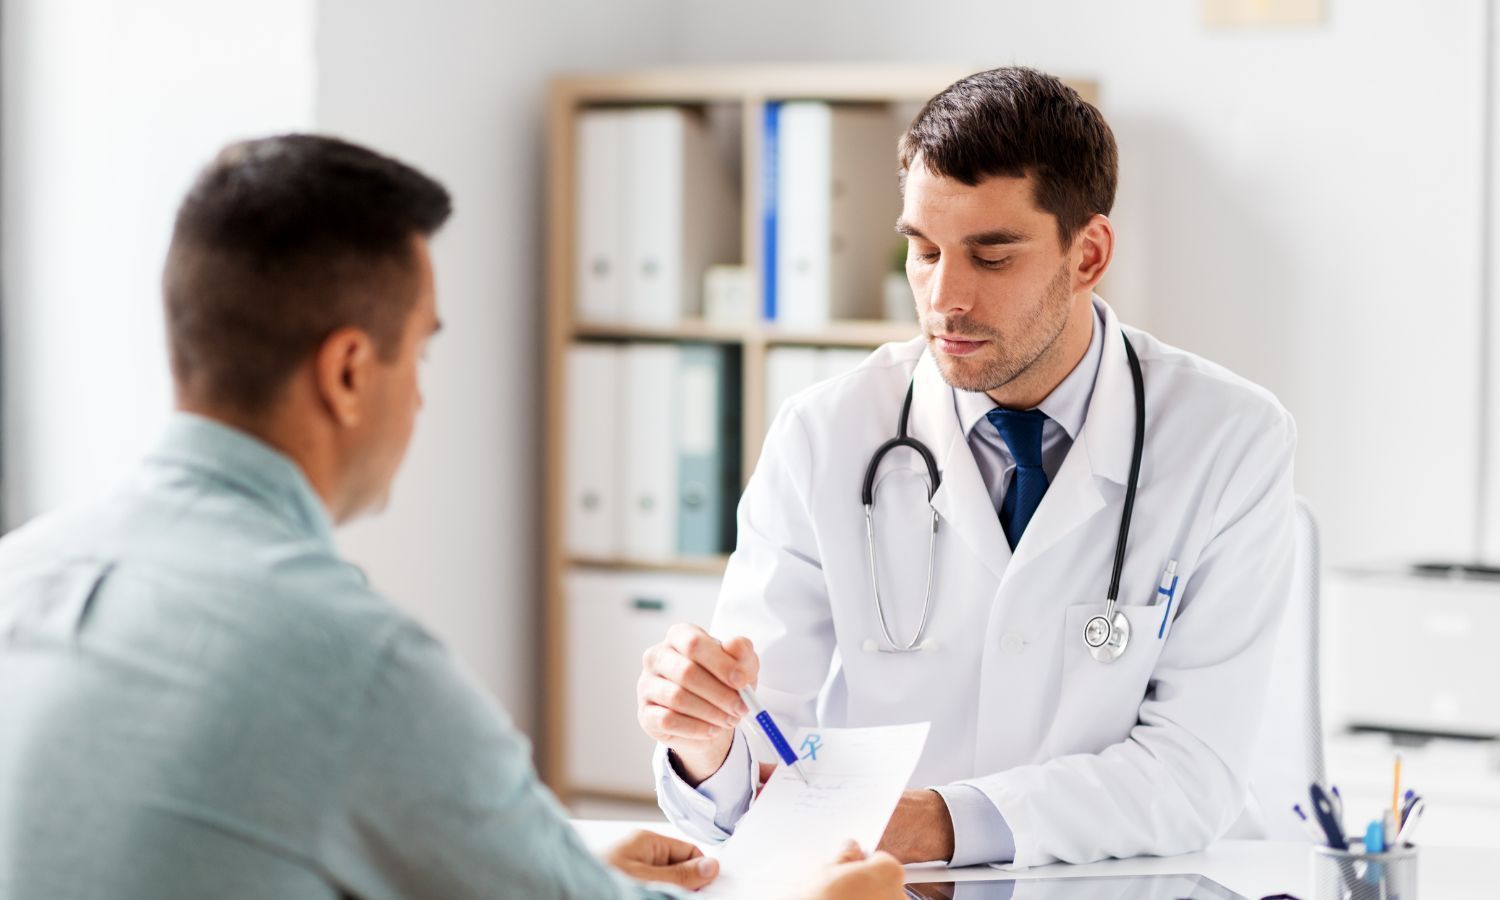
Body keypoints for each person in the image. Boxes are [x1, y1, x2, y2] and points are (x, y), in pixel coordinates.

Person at [0, 135, 903, 899]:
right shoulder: (353, 665)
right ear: (350, 371)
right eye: (420, 354)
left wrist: (564, 859)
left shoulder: (22, 575)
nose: (421, 401)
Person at [638, 66, 1299, 869]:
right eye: (920, 250)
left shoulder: (1228, 439)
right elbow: (754, 750)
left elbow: (1194, 772)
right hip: (890, 886)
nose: (944, 297)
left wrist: (939, 822)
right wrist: (704, 745)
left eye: (991, 258)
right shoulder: (827, 433)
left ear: (1088, 253)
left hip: (1124, 884)